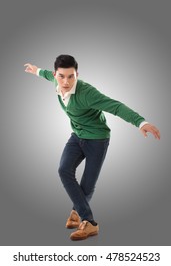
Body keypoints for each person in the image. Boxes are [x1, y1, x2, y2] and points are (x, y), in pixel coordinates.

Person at [24, 55, 160, 241]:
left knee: (87, 184)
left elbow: (116, 107)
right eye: (61, 76)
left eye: (71, 76)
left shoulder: (87, 93)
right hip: (77, 136)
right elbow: (47, 74)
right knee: (64, 170)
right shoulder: (55, 80)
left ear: (76, 75)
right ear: (56, 74)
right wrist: (36, 70)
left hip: (97, 139)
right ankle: (80, 215)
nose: (66, 81)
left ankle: (88, 224)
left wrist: (141, 122)